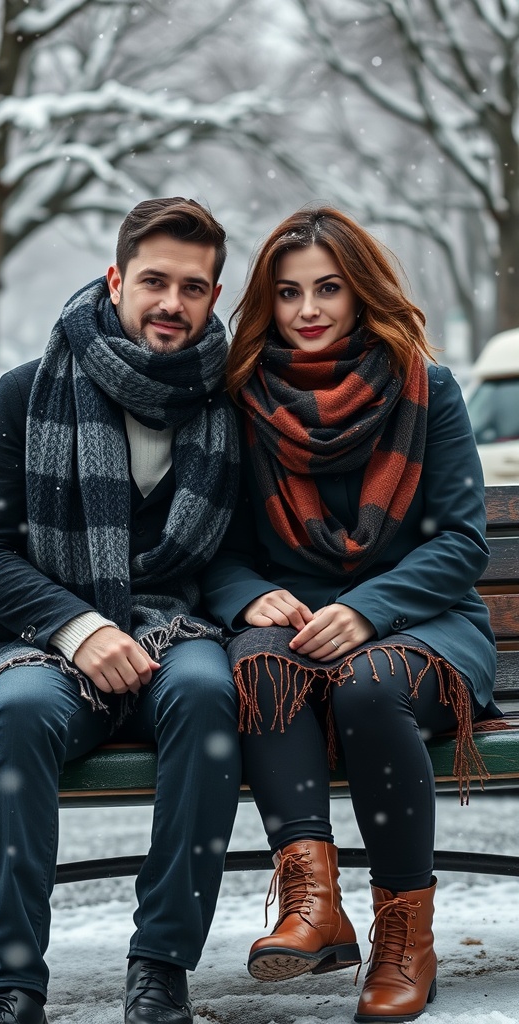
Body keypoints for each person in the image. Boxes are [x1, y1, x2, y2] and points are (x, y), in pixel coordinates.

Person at [0, 198, 242, 1024]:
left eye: (192, 287)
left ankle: (160, 967)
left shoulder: (227, 405)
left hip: (176, 634)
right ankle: (8, 983)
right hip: (47, 641)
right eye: (153, 280)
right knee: (19, 712)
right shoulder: (28, 391)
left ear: (214, 297)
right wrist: (82, 628)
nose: (170, 304)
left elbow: (226, 558)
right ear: (116, 280)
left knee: (210, 698)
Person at [202, 206, 499, 1022]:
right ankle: (314, 906)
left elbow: (461, 543)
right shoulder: (242, 398)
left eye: (328, 288)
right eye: (289, 292)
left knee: (368, 687)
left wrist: (370, 608)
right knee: (258, 661)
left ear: (360, 291)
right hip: (292, 625)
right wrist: (243, 595)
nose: (307, 310)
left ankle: (407, 934)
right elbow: (217, 547)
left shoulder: (424, 387)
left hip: (421, 620)